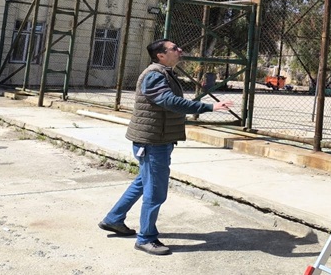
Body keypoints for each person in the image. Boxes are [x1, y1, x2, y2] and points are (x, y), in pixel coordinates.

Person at [98, 39, 234, 255]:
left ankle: (113, 219)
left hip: (156, 139)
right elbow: (170, 102)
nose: (180, 50)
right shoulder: (154, 74)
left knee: (143, 182)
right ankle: (145, 238)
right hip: (153, 142)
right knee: (155, 192)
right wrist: (208, 106)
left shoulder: (164, 72)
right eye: (174, 49)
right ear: (161, 55)